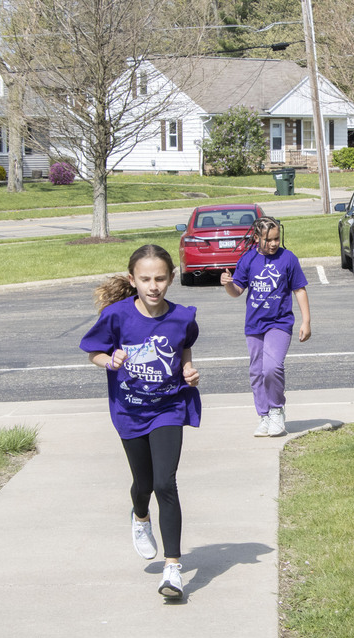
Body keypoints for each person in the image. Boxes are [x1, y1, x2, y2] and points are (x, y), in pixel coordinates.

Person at [79, 244, 200, 600]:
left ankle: (173, 568)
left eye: (160, 278)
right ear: (133, 279)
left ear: (171, 279)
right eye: (145, 279)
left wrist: (188, 369)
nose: (153, 286)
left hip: (168, 408)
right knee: (143, 483)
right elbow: (93, 352)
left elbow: (184, 347)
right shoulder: (117, 316)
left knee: (166, 482)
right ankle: (140, 515)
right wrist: (110, 361)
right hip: (129, 410)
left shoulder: (182, 317)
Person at [220, 216, 311, 437]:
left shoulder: (288, 259)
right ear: (256, 237)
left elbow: (299, 289)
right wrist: (229, 284)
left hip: (279, 323)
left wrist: (306, 321)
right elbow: (237, 292)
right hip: (254, 325)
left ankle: (277, 409)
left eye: (276, 238)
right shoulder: (248, 260)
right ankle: (264, 415)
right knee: (256, 372)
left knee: (272, 367)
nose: (273, 243)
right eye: (268, 239)